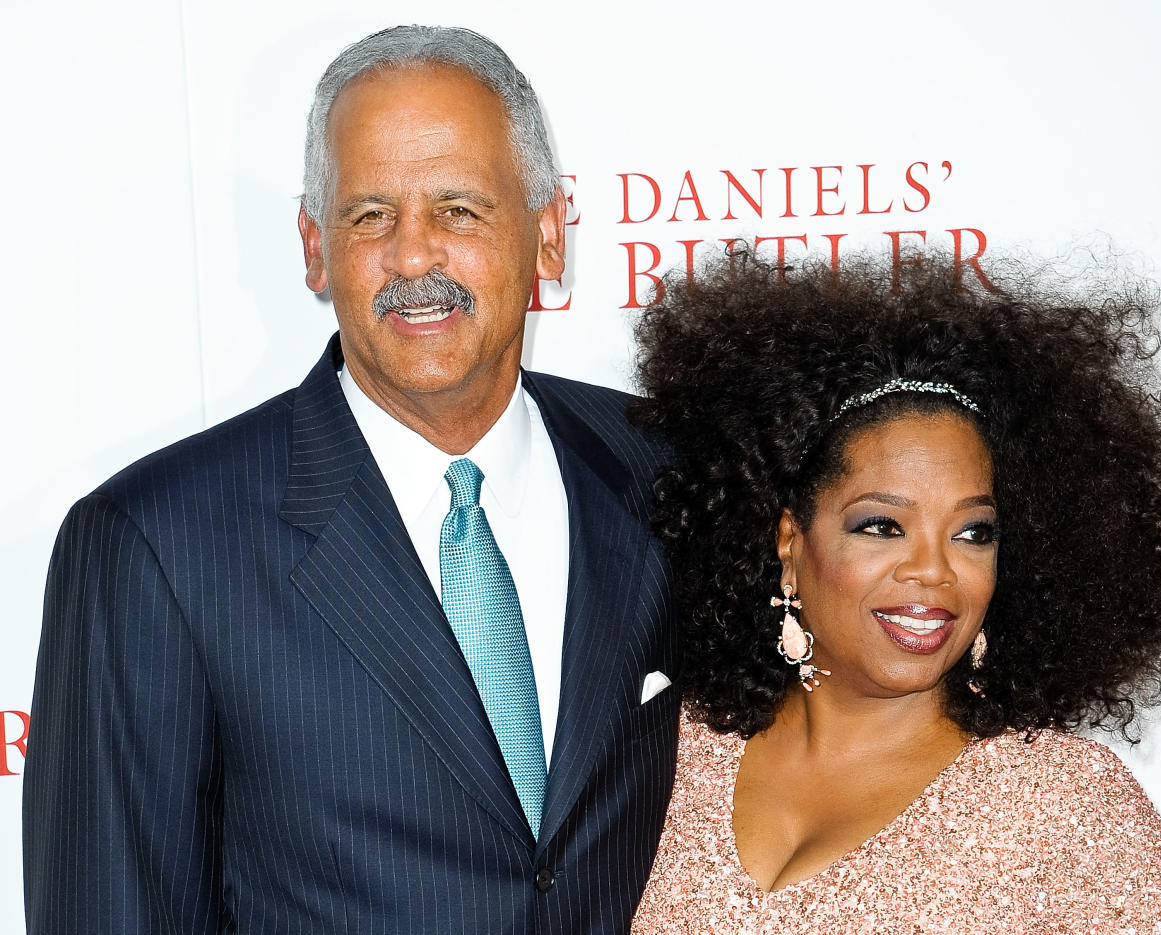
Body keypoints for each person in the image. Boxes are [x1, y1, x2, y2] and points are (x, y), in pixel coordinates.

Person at [24, 25, 678, 934]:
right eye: (370, 216)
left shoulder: (667, 473)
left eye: (458, 209)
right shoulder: (155, 544)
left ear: (548, 234)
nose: (413, 258)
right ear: (314, 248)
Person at [628, 251, 1161, 933]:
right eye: (883, 525)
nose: (934, 571)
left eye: (974, 532)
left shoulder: (1065, 805)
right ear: (790, 540)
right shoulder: (668, 750)